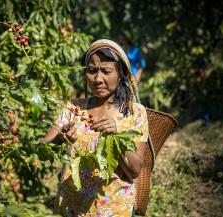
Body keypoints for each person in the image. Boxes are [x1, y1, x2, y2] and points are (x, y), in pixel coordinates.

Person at [43, 39, 149, 216]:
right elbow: (42, 148)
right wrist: (60, 138)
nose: (98, 79)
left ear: (120, 73)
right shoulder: (73, 108)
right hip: (71, 208)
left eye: (106, 71)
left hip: (114, 209)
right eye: (92, 71)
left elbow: (135, 170)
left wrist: (118, 137)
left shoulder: (134, 113)